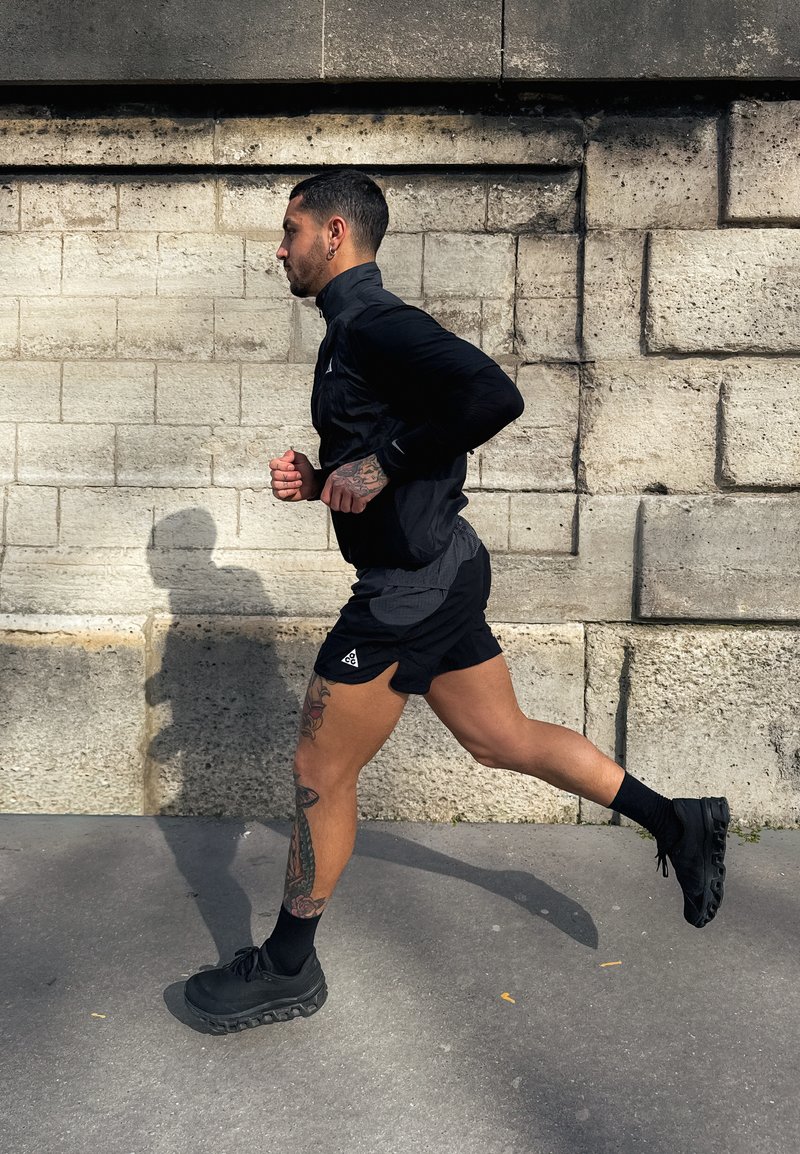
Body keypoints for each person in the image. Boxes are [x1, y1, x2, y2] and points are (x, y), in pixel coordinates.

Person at [183, 170, 730, 1033]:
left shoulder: (376, 323)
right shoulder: (347, 331)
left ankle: (287, 967)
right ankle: (679, 820)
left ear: (334, 232)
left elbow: (492, 396)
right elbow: (389, 455)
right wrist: (325, 479)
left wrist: (385, 461)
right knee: (498, 738)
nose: (278, 249)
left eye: (289, 231)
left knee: (318, 772)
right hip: (441, 567)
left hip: (409, 591)